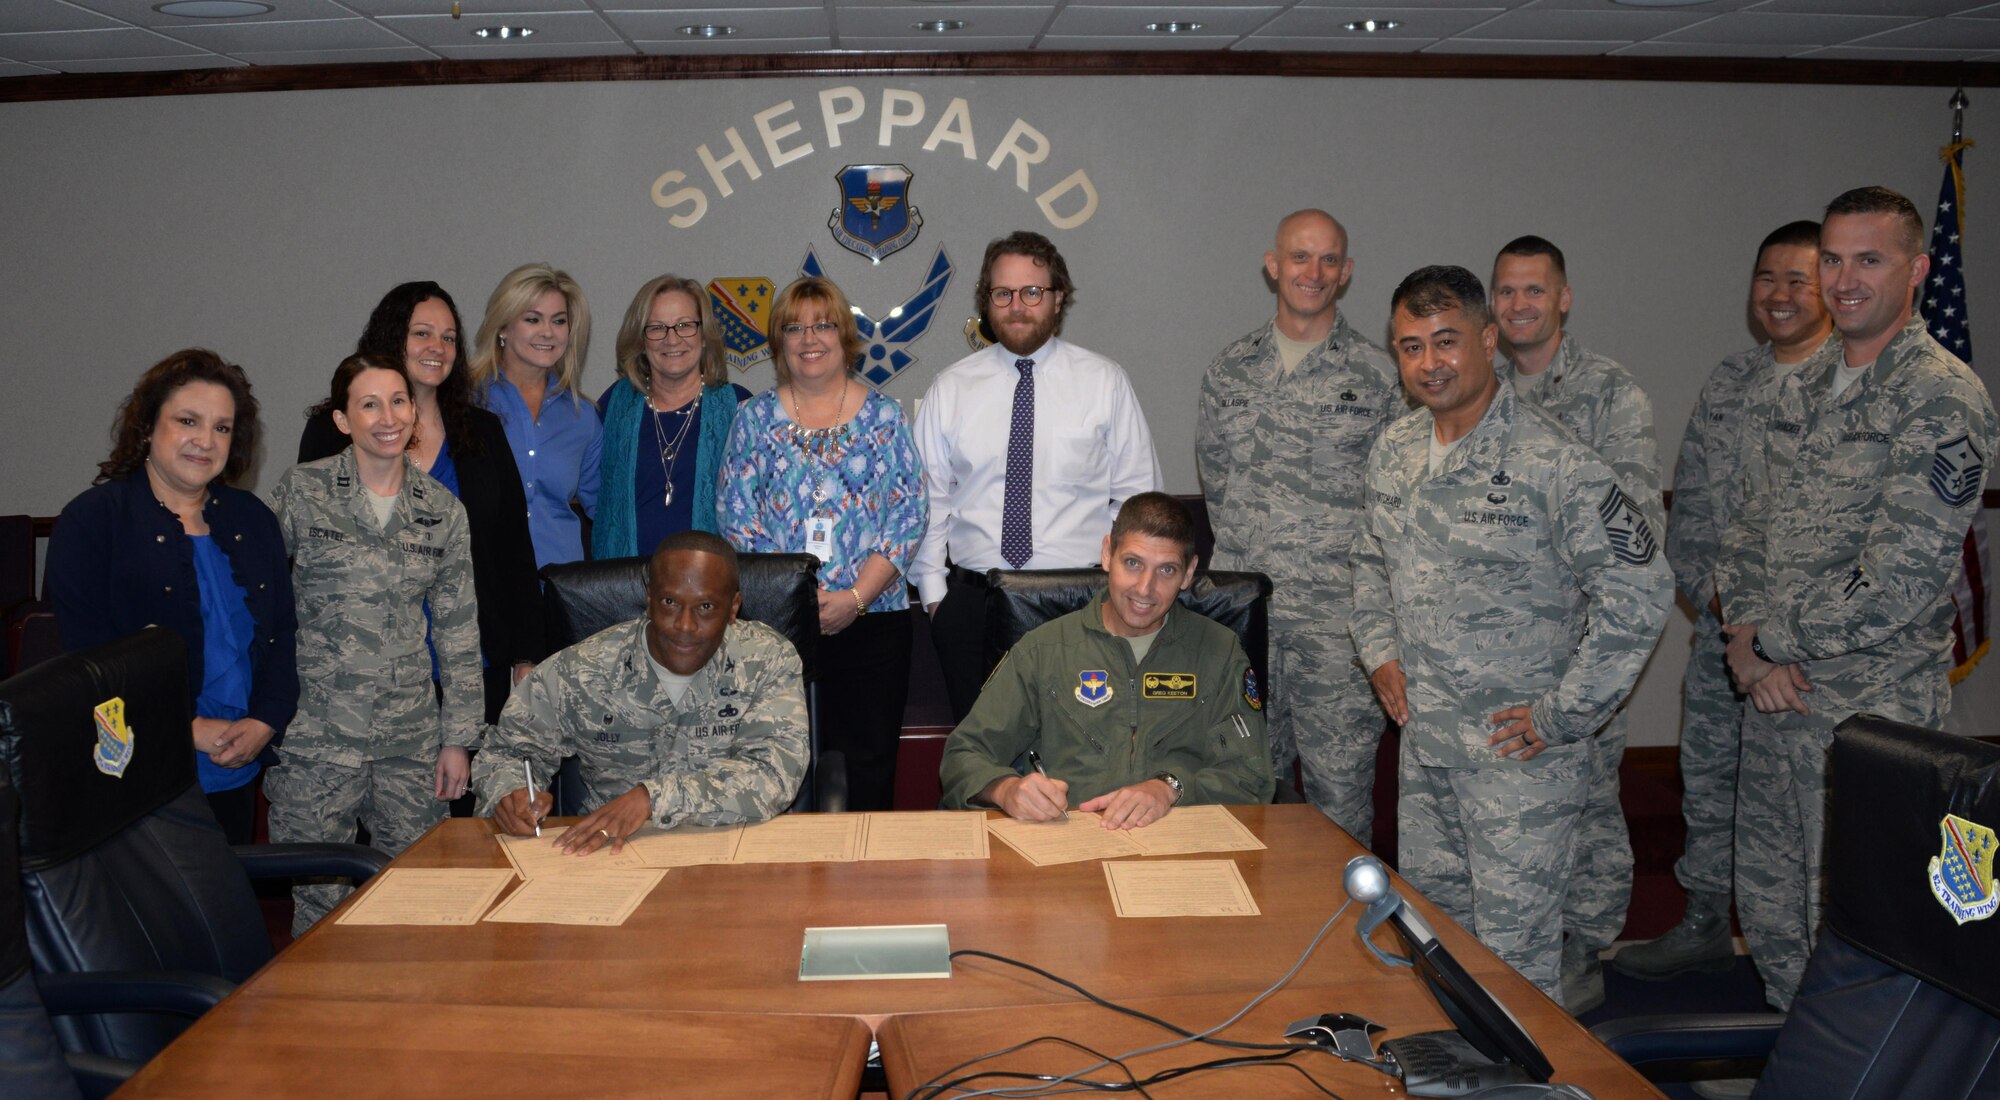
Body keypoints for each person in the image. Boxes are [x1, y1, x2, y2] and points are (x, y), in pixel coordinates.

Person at [1350, 266, 1671, 1003]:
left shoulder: (1553, 461)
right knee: (1436, 948)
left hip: (1516, 764)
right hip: (1426, 751)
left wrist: (1565, 714)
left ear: (1488, 340)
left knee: (1514, 968)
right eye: (1409, 347)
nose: (1429, 363)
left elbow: (1644, 588)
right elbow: (1368, 561)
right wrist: (1380, 653)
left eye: (1446, 342)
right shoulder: (1395, 449)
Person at [1717, 186, 1998, 1010]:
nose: (1843, 279)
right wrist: (1744, 640)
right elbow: (1744, 528)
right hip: (1772, 699)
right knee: (1771, 903)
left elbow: (1901, 578)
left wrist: (1774, 642)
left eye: (1867, 260)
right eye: (1832, 259)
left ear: (1915, 270)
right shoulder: (1796, 387)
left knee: (1853, 917)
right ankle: (1786, 1055)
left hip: (1866, 713)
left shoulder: (1940, 397)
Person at [1612, 222, 1836, 984]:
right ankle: (1707, 915)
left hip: (1804, 653)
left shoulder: (1849, 386)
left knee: (1804, 819)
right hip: (1720, 633)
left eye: (1796, 280)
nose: (1777, 294)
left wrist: (1767, 634)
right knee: (1711, 781)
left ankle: (1813, 968)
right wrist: (1728, 618)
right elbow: (1697, 511)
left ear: (1832, 287)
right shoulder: (1730, 381)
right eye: (1766, 277)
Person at [1490, 235, 1663, 1011]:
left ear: (1563, 299)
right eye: (1505, 291)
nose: (1519, 305)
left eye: (1535, 291)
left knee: (1588, 794)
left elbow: (1629, 529)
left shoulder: (1610, 393)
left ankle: (1583, 942)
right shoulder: (1476, 387)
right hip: (1493, 640)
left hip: (1581, 642)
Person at [1195, 208, 1403, 845]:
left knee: (1339, 799)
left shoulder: (1380, 374)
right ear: (1273, 265)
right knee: (1249, 786)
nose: (1313, 272)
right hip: (1245, 623)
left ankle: (1347, 938)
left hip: (1337, 628)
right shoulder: (1230, 369)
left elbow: (1396, 501)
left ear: (1345, 273)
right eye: (1300, 257)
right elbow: (1215, 481)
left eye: (1328, 259)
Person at [267, 354, 483, 932]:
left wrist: (458, 740)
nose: (387, 417)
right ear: (343, 419)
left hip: (409, 744)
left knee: (413, 896)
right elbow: (261, 610)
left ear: (414, 412)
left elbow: (459, 631)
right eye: (369, 403)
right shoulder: (303, 492)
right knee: (317, 905)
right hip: (317, 737)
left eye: (398, 401)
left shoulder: (442, 512)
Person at [48, 349, 297, 846]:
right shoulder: (94, 521)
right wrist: (187, 728)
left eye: (222, 428)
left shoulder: (253, 520)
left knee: (222, 919)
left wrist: (266, 719)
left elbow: (284, 634)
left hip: (236, 767)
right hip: (134, 777)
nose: (205, 440)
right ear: (146, 427)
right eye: (188, 420)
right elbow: (86, 664)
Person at [911, 230, 1162, 722]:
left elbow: (1138, 501)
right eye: (1003, 294)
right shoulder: (952, 388)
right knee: (982, 762)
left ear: (1058, 298)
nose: (1018, 306)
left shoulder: (1104, 382)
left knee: (1085, 753)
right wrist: (936, 600)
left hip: (1079, 604)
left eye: (1032, 292)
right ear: (988, 301)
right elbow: (928, 502)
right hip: (974, 606)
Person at [938, 493, 1274, 827]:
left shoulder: (1219, 651)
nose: (1145, 588)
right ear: (1107, 554)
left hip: (1178, 843)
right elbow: (963, 756)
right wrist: (1006, 790)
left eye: (1167, 570)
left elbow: (1251, 775)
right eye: (1132, 563)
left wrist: (1170, 788)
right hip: (1071, 844)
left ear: (1188, 574)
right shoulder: (1044, 649)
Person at [718, 276, 927, 811]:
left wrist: (854, 598)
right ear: (779, 342)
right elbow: (737, 519)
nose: (809, 338)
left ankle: (864, 885)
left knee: (867, 771)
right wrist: (795, 600)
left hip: (873, 623)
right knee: (779, 770)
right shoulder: (752, 420)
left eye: (823, 325)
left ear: (845, 336)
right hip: (778, 630)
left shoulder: (884, 416)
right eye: (794, 327)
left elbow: (908, 515)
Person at [299, 282, 542, 733]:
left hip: (469, 669)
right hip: (360, 674)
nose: (438, 348)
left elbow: (514, 552)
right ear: (392, 338)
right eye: (422, 334)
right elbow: (309, 559)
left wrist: (526, 656)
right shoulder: (332, 431)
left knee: (467, 802)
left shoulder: (483, 432)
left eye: (449, 338)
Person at [473, 532, 809, 853]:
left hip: (734, 848)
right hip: (610, 853)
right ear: (648, 598)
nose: (685, 625)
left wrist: (652, 798)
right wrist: (511, 793)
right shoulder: (584, 669)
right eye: (669, 602)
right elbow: (508, 752)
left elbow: (773, 774)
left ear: (734, 606)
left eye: (706, 607)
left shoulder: (767, 660)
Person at [593, 273, 750, 558]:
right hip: (624, 584)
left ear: (704, 336)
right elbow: (587, 488)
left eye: (684, 325)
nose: (671, 339)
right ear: (641, 340)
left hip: (710, 586)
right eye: (656, 328)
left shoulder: (738, 407)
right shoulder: (614, 405)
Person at [469, 262, 601, 570]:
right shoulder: (466, 402)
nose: (547, 332)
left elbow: (604, 511)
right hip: (480, 587)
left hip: (558, 590)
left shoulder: (583, 417)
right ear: (502, 327)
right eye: (532, 319)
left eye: (559, 321)